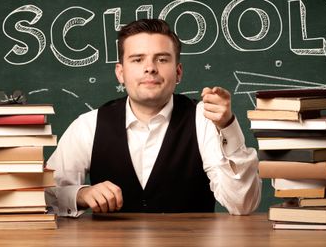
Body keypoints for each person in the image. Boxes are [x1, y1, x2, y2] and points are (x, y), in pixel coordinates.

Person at [45, 19, 261, 216]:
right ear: (120, 73)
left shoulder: (204, 120)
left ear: (178, 72)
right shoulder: (88, 125)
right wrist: (80, 195)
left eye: (162, 59)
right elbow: (45, 194)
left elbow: (243, 205)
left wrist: (227, 126)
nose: (150, 68)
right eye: (137, 59)